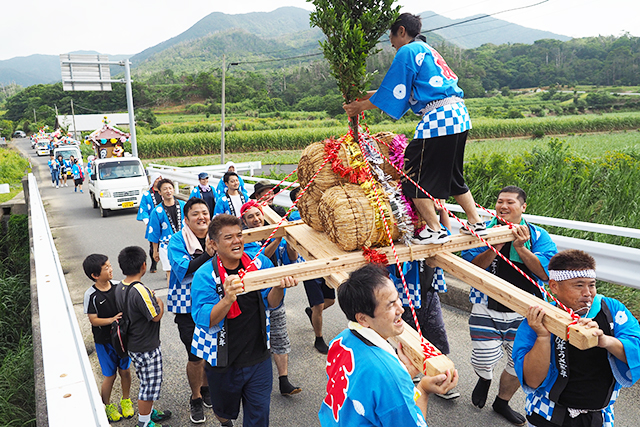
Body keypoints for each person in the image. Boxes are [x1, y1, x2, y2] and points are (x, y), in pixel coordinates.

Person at [343, 12, 486, 245]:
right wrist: (363, 98)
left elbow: (394, 91)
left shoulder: (408, 51)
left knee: (412, 175)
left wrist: (360, 107)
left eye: (390, 37)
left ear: (400, 31)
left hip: (438, 119)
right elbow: (395, 90)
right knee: (452, 175)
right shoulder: (426, 50)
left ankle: (434, 228)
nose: (390, 44)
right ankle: (476, 222)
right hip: (459, 115)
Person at [460, 186, 558, 425]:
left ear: (523, 207)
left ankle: (502, 401)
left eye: (510, 202)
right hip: (486, 305)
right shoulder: (482, 231)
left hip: (527, 312)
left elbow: (545, 274)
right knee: (484, 356)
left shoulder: (537, 236)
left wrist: (521, 248)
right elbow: (470, 268)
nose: (503, 206)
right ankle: (484, 378)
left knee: (520, 362)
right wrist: (497, 244)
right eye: (500, 201)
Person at [190, 214, 298, 427]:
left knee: (259, 415)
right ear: (213, 243)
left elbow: (271, 303)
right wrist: (228, 298)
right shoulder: (205, 275)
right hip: (223, 359)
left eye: (239, 235)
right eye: (228, 237)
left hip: (258, 357)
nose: (237, 241)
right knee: (223, 411)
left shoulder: (259, 263)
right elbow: (205, 320)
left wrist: (278, 286)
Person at [318, 263, 458, 426]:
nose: (401, 309)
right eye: (390, 305)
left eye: (398, 298)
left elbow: (367, 389)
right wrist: (424, 390)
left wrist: (404, 373)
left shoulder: (340, 341)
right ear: (363, 319)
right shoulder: (389, 377)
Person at [513, 249, 640, 427]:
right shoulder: (540, 317)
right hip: (547, 413)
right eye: (579, 285)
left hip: (599, 416)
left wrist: (605, 341)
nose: (588, 293)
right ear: (554, 286)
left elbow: (637, 350)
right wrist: (543, 336)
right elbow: (532, 380)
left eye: (592, 285)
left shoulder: (611, 310)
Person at [240, 201, 302, 396]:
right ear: (244, 221)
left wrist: (291, 241)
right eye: (250, 216)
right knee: (254, 340)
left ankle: (284, 380)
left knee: (280, 336)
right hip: (253, 300)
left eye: (258, 215)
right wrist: (278, 235)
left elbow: (291, 259)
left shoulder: (276, 235)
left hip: (276, 295)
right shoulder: (244, 240)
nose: (256, 219)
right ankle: (252, 381)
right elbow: (259, 259)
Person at [166, 198, 214, 423]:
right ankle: (195, 397)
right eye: (195, 214)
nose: (201, 217)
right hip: (187, 308)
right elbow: (184, 269)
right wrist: (208, 255)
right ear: (186, 219)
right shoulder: (176, 241)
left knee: (211, 349)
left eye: (204, 212)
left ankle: (206, 388)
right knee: (195, 355)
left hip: (213, 303)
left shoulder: (216, 236)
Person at [114, 246, 172, 427]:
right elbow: (155, 316)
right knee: (149, 386)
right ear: (144, 266)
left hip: (133, 343)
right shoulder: (140, 289)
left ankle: (148, 412)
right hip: (147, 346)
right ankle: (145, 422)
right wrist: (160, 302)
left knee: (146, 380)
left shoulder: (120, 286)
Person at [388, 259, 458, 400]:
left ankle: (441, 379)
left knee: (437, 335)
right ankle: (405, 378)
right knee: (405, 343)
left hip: (428, 289)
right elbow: (394, 268)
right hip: (404, 293)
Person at [82, 254, 134, 422]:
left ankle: (126, 400)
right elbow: (93, 319)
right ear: (95, 275)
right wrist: (111, 320)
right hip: (104, 342)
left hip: (122, 338)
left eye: (110, 266)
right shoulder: (91, 295)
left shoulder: (119, 285)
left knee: (125, 371)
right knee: (109, 375)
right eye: (106, 268)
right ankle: (107, 406)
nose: (111, 270)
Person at [288, 187, 336, 354]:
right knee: (319, 304)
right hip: (308, 266)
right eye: (299, 197)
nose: (304, 198)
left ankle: (312, 312)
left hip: (325, 261)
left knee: (330, 301)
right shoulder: (294, 217)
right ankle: (319, 338)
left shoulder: (319, 212)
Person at [147, 178, 186, 287]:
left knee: (186, 272)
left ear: (173, 189)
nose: (168, 191)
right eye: (165, 189)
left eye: (170, 188)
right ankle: (172, 298)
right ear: (160, 192)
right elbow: (154, 232)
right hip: (165, 245)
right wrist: (155, 250)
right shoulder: (157, 211)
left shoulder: (183, 206)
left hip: (184, 243)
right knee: (170, 273)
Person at [137, 173, 163, 273]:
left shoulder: (164, 192)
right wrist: (147, 221)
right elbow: (143, 209)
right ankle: (154, 263)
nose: (159, 180)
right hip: (153, 223)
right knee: (153, 245)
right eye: (157, 179)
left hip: (165, 221)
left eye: (161, 178)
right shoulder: (147, 195)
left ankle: (168, 268)